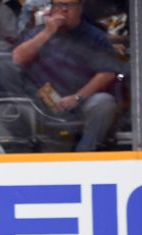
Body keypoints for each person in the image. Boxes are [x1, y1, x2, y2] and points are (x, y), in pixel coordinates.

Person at [12, 0, 122, 151]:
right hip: (41, 103)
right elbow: (17, 59)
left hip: (81, 100)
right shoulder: (38, 32)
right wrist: (47, 32)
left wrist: (77, 97)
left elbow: (107, 73)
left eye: (69, 5)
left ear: (80, 8)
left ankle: (85, 153)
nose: (64, 10)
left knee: (104, 102)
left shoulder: (95, 36)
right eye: (59, 5)